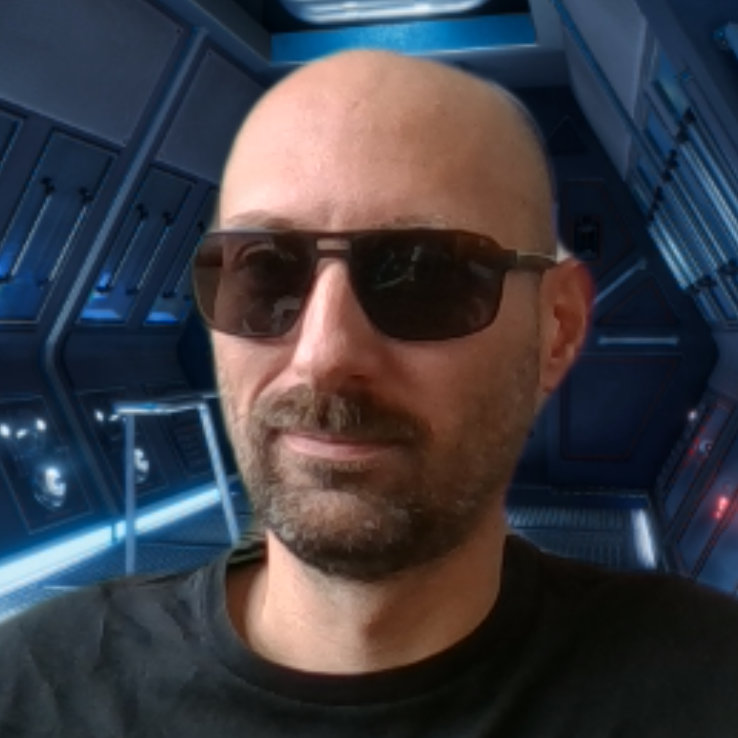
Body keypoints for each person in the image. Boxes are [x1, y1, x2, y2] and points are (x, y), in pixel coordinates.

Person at [1, 49, 738, 737]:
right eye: (263, 268)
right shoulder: (31, 689)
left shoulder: (707, 685)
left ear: (556, 329)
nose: (323, 357)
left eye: (425, 275)